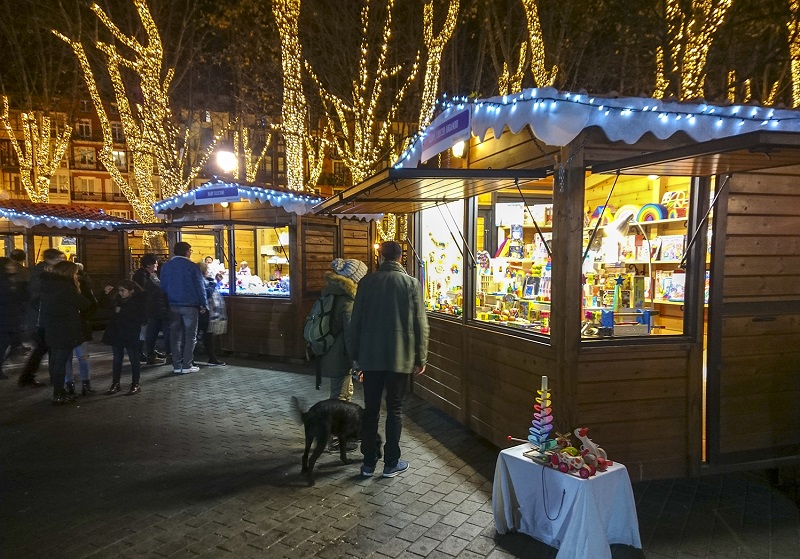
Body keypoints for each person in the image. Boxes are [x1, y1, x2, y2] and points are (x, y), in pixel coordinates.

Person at [350, 241, 429, 478]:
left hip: (370, 358)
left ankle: (368, 462)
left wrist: (355, 357)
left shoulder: (366, 282)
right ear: (400, 257)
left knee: (371, 409)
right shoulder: (412, 284)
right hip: (400, 357)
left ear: (381, 257)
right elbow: (421, 323)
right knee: (395, 409)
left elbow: (356, 322)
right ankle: (391, 463)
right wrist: (421, 357)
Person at [39, 260, 93, 404]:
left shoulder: (46, 285)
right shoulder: (66, 288)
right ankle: (58, 394)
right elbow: (85, 303)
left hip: (51, 327)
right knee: (61, 363)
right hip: (65, 328)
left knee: (57, 361)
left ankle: (59, 391)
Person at [319, 258, 368, 402]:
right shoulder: (347, 301)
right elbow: (350, 336)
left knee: (341, 395)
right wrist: (357, 364)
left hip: (333, 352)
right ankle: (335, 424)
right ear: (355, 279)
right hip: (341, 357)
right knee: (340, 397)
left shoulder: (333, 293)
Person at [19, 248, 66, 387]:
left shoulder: (39, 271)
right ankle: (32, 377)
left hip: (41, 317)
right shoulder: (41, 274)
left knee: (44, 347)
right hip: (40, 318)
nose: (62, 262)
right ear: (51, 260)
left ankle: (30, 377)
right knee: (45, 347)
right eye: (60, 259)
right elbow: (38, 295)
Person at [159, 242, 207, 374]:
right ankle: (187, 365)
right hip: (190, 306)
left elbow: (162, 287)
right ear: (187, 252)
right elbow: (199, 286)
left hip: (172, 305)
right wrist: (203, 304)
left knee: (175, 336)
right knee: (190, 336)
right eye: (190, 250)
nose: (191, 252)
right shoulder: (192, 266)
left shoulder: (166, 266)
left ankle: (176, 365)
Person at [102, 280, 147, 395]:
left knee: (133, 357)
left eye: (123, 290)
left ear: (131, 291)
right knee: (117, 357)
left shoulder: (138, 301)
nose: (120, 293)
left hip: (130, 331)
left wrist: (120, 311)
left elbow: (138, 317)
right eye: (119, 290)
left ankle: (135, 383)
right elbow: (108, 309)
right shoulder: (118, 299)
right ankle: (116, 383)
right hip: (117, 331)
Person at [64, 263, 99, 397]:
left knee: (81, 356)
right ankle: (72, 384)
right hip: (72, 324)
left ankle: (83, 384)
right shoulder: (64, 287)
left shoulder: (82, 285)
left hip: (78, 324)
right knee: (74, 356)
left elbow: (91, 304)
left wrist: (84, 316)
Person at [132, 253, 170, 364]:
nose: (157, 265)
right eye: (155, 263)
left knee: (151, 331)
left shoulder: (146, 275)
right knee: (148, 331)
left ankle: (150, 353)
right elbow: (144, 292)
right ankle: (148, 354)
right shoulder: (144, 276)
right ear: (149, 264)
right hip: (148, 307)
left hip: (150, 308)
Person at [197, 261, 226, 366]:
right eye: (207, 270)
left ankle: (210, 357)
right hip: (203, 311)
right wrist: (214, 283)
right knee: (207, 335)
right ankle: (211, 358)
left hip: (203, 311)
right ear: (204, 271)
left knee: (206, 335)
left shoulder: (204, 280)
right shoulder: (201, 281)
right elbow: (208, 293)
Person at [0, 257, 24, 380]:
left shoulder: (10, 279)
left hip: (11, 316)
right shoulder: (4, 281)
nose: (13, 267)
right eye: (10, 265)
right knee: (4, 343)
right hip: (5, 317)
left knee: (14, 342)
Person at [8, 249, 30, 357]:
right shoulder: (24, 271)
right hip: (20, 302)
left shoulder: (6, 269)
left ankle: (16, 345)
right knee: (18, 324)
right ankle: (16, 345)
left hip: (9, 302)